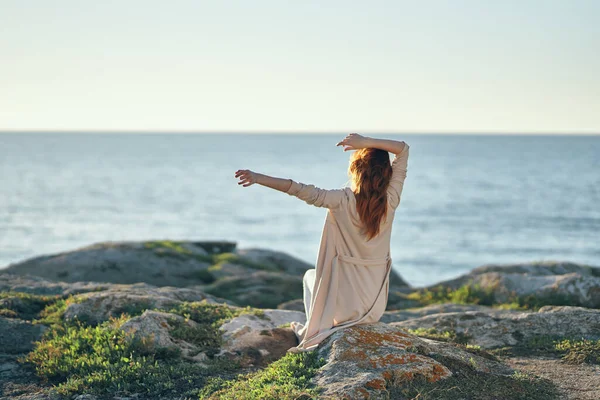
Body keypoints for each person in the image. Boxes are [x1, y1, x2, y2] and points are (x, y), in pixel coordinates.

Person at [234, 133, 409, 353]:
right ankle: (315, 328)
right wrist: (366, 142)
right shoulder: (391, 200)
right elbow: (403, 149)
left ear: (357, 170)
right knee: (315, 276)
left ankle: (313, 331)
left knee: (310, 276)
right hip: (374, 308)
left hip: (343, 311)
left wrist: (258, 177)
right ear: (387, 173)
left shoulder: (341, 200)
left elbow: (296, 188)